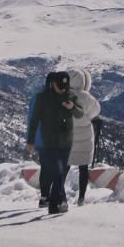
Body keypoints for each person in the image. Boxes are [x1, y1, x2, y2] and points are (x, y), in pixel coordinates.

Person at [26, 70, 85, 214]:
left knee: (60, 171)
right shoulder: (42, 98)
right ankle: (54, 202)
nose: (62, 89)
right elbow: (34, 120)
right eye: (60, 86)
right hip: (48, 142)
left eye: (64, 86)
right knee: (57, 172)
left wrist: (72, 107)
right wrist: (31, 140)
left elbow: (80, 114)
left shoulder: (70, 96)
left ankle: (55, 200)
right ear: (52, 84)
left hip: (65, 142)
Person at [66, 68, 102, 206]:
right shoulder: (87, 98)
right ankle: (81, 197)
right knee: (83, 168)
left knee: (65, 166)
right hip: (85, 137)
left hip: (67, 136)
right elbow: (96, 111)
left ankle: (58, 192)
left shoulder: (64, 96)